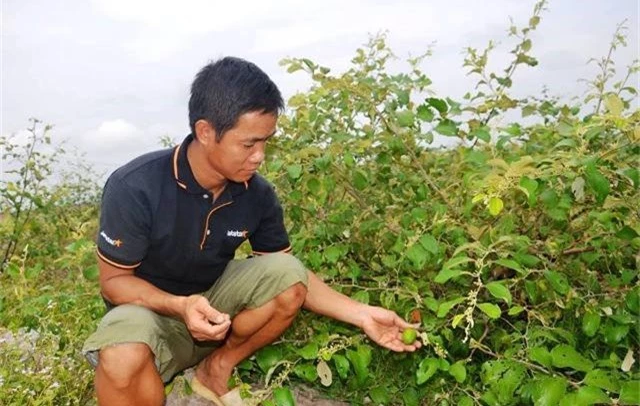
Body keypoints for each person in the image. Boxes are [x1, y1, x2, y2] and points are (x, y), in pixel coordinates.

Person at [82, 56, 420, 406]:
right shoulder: (136, 185)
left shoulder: (255, 194)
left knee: (288, 274)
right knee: (122, 354)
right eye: (248, 144)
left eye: (265, 143)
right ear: (205, 132)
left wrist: (364, 315)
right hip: (148, 314)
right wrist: (180, 306)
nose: (259, 157)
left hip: (214, 314)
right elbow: (115, 282)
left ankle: (217, 366)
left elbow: (291, 276)